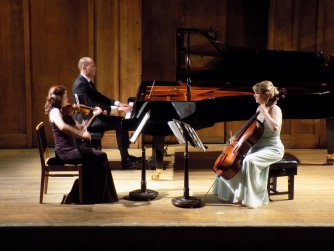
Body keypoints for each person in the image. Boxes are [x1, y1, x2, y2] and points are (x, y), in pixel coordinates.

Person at [212, 80, 284, 208]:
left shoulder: (275, 109)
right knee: (235, 161)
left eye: (256, 93)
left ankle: (250, 199)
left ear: (266, 94)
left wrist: (265, 113)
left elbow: (275, 127)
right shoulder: (260, 108)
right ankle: (233, 195)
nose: (254, 95)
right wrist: (236, 138)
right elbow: (252, 129)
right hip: (256, 147)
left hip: (272, 148)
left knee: (249, 161)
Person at [44, 85, 118, 204]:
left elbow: (82, 127)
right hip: (65, 152)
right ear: (59, 98)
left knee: (99, 157)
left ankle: (92, 193)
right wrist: (81, 134)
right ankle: (91, 194)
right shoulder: (54, 112)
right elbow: (62, 127)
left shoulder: (65, 112)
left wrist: (93, 115)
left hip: (72, 149)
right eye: (65, 96)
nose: (68, 99)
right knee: (100, 156)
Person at [72, 57, 141, 169]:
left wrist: (118, 103)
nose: (95, 68)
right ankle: (126, 159)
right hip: (87, 120)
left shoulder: (86, 82)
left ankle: (126, 157)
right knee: (121, 123)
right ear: (85, 68)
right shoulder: (80, 84)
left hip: (92, 117)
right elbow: (93, 106)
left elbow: (100, 97)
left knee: (121, 122)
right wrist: (116, 109)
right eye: (92, 66)